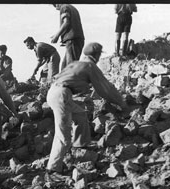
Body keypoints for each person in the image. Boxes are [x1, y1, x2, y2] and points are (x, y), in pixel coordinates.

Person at [45, 43, 129, 180]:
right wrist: (121, 103)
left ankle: (80, 144)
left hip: (55, 92)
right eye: (99, 54)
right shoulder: (90, 66)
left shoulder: (77, 63)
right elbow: (105, 88)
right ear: (96, 55)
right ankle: (52, 171)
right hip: (61, 95)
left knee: (80, 115)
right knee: (63, 135)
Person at [51, 4, 85, 70]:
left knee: (70, 66)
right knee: (65, 67)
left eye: (55, 5)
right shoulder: (71, 7)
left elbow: (66, 22)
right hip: (75, 39)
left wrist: (56, 36)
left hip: (72, 39)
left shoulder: (64, 7)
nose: (56, 8)